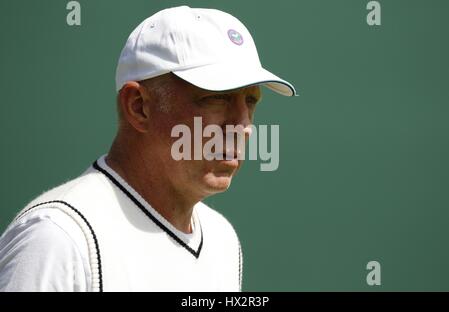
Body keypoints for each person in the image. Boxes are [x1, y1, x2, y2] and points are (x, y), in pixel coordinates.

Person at [0, 5, 296, 291]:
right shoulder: (59, 238)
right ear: (139, 107)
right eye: (217, 98)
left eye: (251, 101)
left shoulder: (222, 240)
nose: (242, 125)